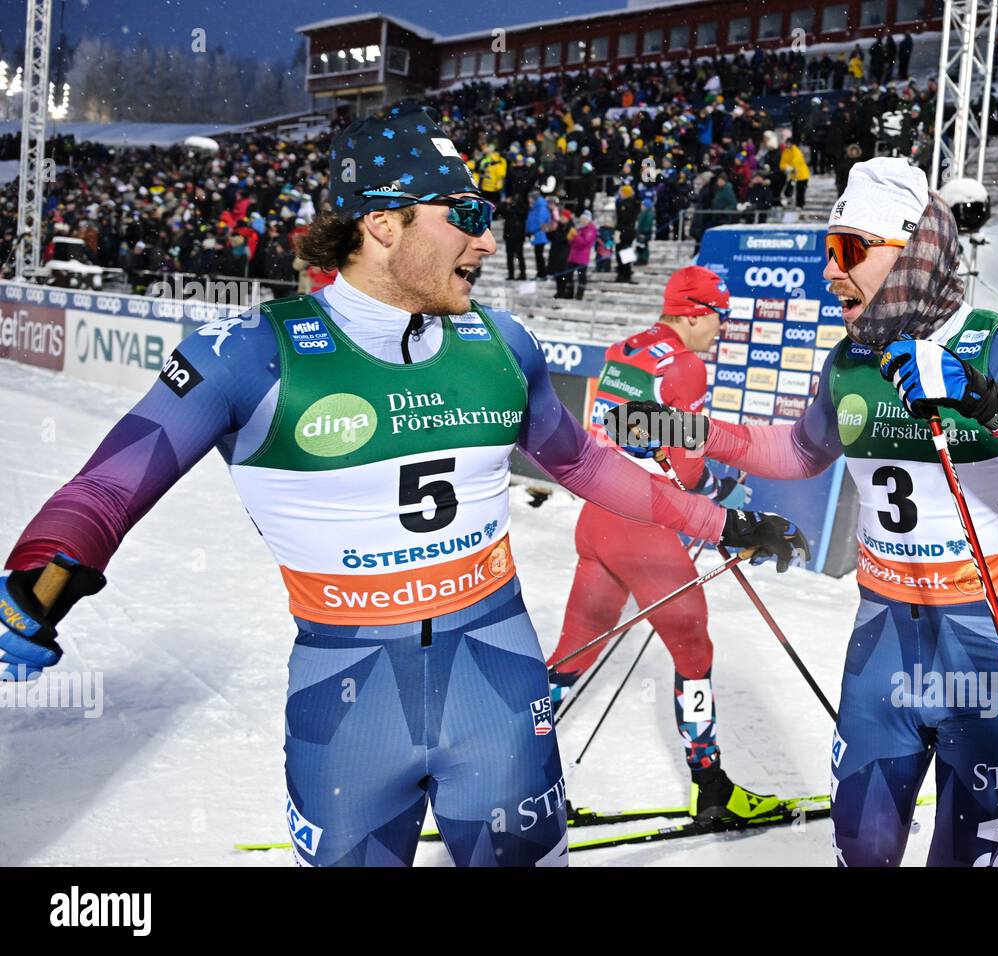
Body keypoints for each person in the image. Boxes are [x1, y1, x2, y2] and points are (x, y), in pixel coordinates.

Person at [0, 107, 803, 869]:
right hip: (348, 703)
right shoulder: (252, 352)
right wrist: (37, 583)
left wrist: (720, 524)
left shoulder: (500, 343)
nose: (488, 242)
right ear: (382, 223)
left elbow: (586, 465)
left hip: (497, 681)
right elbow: (106, 488)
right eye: (465, 215)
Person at [606, 157, 998, 866]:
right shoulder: (852, 363)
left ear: (912, 253)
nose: (831, 273)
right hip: (881, 638)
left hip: (985, 645)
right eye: (827, 252)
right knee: (860, 848)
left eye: (848, 251)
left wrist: (986, 401)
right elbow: (797, 453)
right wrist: (682, 429)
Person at [549, 266, 805, 821]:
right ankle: (712, 791)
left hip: (599, 517)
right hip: (643, 530)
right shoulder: (685, 367)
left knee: (572, 654)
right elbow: (683, 467)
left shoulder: (627, 348)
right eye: (720, 317)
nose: (722, 329)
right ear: (694, 312)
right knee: (695, 653)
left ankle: (520, 780)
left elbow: (633, 434)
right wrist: (720, 498)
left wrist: (710, 483)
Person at [525, 189, 551, 280]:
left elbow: (541, 223)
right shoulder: (536, 207)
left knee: (539, 255)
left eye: (530, 198)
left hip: (539, 235)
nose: (529, 199)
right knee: (538, 255)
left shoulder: (541, 208)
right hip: (536, 234)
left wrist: (532, 231)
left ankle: (542, 274)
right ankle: (540, 273)